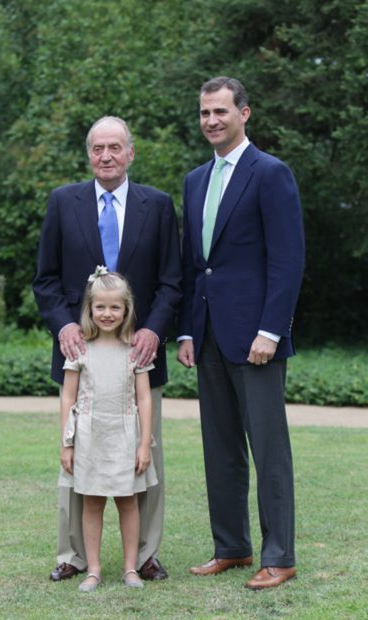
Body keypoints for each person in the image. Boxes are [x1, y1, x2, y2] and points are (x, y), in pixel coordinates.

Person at [33, 115, 181, 582]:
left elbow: (173, 281)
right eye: (98, 148)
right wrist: (63, 327)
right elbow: (46, 280)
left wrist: (154, 330)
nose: (106, 156)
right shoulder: (63, 203)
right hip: (81, 357)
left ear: (131, 153)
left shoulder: (157, 206)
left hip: (139, 358)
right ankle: (72, 555)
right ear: (89, 154)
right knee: (77, 454)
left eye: (115, 147)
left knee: (146, 456)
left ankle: (146, 555)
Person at [177, 77, 305, 590]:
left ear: (244, 113)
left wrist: (271, 330)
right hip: (207, 336)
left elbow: (288, 260)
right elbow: (195, 266)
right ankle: (231, 546)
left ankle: (280, 556)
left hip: (256, 339)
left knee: (268, 448)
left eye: (221, 112)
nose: (211, 121)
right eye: (205, 112)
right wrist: (186, 330)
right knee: (221, 448)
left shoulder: (271, 174)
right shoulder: (194, 181)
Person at [61, 268, 157, 591]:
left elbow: (144, 398)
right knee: (92, 503)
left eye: (115, 307)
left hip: (125, 436)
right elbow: (68, 397)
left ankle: (131, 568)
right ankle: (94, 569)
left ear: (126, 309)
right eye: (99, 307)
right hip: (90, 436)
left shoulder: (135, 349)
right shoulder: (80, 349)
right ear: (89, 309)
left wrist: (145, 444)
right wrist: (67, 443)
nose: (107, 313)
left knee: (127, 502)